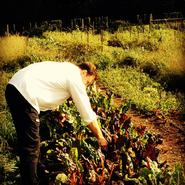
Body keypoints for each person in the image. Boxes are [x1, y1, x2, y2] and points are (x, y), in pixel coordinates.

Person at [5, 61, 108, 185]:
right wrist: (100, 137)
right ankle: (30, 181)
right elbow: (86, 112)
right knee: (31, 145)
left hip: (14, 87)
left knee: (29, 140)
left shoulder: (66, 68)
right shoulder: (75, 77)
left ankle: (36, 172)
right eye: (87, 83)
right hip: (25, 93)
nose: (85, 87)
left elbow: (49, 88)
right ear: (85, 72)